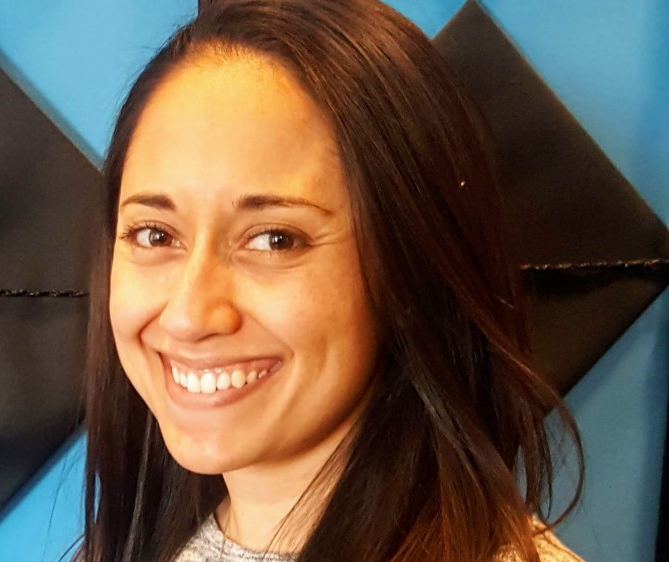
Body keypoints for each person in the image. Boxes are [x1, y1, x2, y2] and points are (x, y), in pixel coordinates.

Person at [76, 1, 584, 560]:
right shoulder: (132, 541)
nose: (189, 315)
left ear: (409, 262)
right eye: (155, 235)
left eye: (275, 239)